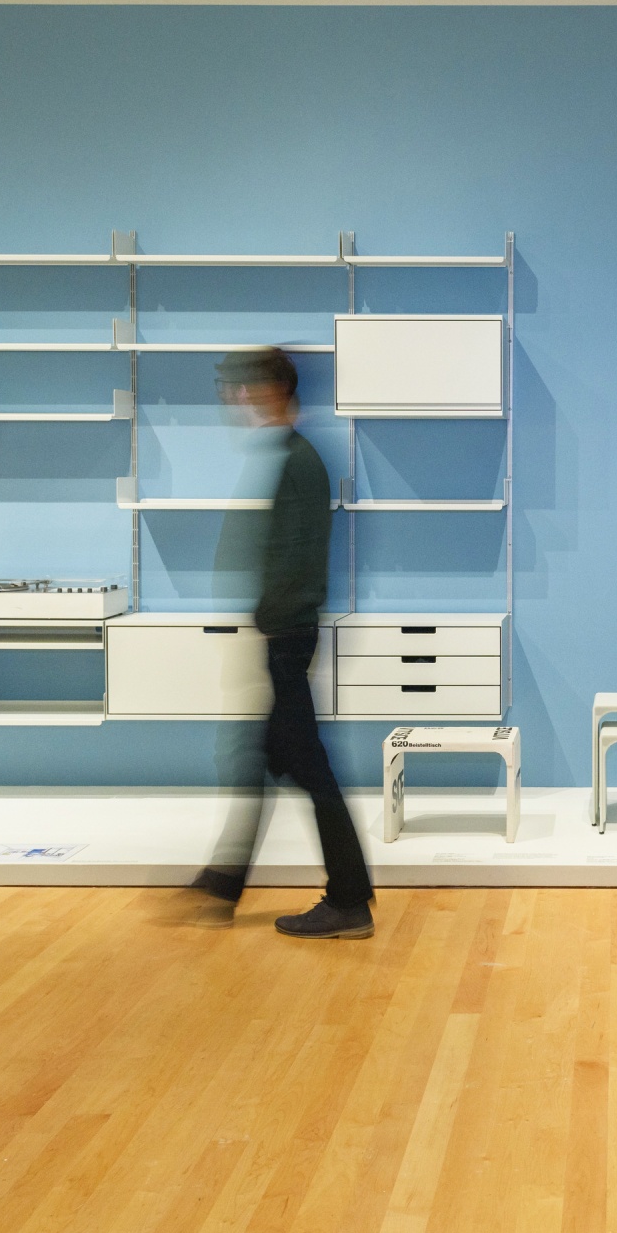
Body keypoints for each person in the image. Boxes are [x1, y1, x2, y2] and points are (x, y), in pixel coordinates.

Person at [193, 347, 374, 939]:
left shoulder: (299, 461)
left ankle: (349, 899)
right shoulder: (293, 456)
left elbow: (297, 562)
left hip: (288, 637)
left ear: (273, 389)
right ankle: (224, 881)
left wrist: (270, 622)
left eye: (246, 388)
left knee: (308, 768)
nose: (238, 399)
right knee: (261, 758)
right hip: (286, 634)